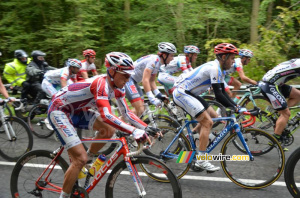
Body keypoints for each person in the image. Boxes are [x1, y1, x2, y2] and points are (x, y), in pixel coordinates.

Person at [48, 52, 159, 198]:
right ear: (112, 71)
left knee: (108, 130)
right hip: (59, 110)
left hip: (78, 110)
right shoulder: (101, 84)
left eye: (129, 75)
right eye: (125, 75)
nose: (128, 79)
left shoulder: (119, 87)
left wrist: (145, 127)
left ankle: (89, 157)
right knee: (78, 159)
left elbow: (126, 113)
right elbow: (106, 115)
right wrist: (133, 131)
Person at [173, 43, 243, 172]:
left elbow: (222, 92)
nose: (233, 62)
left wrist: (236, 106)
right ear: (223, 57)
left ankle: (192, 138)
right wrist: (236, 108)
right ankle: (201, 160)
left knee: (213, 116)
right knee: (207, 122)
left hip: (190, 93)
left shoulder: (220, 70)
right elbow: (218, 95)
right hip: (182, 93)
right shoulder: (214, 68)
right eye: (232, 58)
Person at [125, 42, 176, 117]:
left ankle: (127, 124)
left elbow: (151, 81)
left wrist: (159, 95)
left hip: (134, 81)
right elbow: (145, 80)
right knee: (140, 109)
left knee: (142, 109)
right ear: (165, 55)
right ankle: (119, 123)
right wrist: (151, 98)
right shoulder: (153, 61)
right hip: (128, 79)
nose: (173, 58)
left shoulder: (158, 63)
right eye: (171, 55)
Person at [258, 58, 300, 148]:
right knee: (286, 114)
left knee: (298, 95)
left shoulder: (297, 61)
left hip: (276, 83)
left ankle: (279, 112)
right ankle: (276, 140)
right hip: (270, 85)